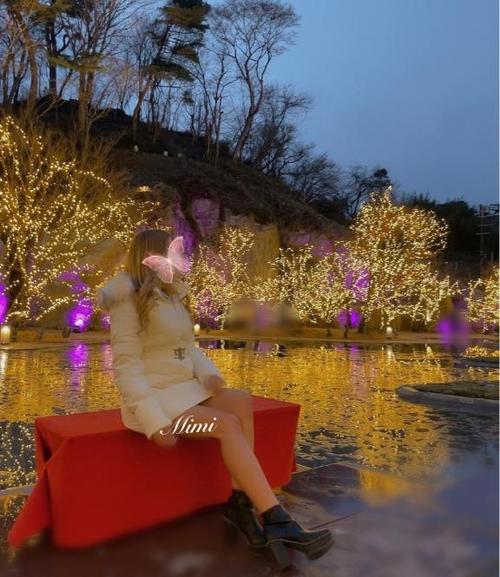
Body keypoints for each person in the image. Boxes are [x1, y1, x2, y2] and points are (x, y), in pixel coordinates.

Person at [96, 229, 333, 569]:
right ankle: (276, 519)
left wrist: (208, 373)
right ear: (150, 255)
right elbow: (126, 366)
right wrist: (153, 420)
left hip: (183, 391)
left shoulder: (170, 295)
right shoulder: (126, 299)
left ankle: (239, 504)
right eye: (168, 253)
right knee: (226, 424)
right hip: (157, 404)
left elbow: (186, 348)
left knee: (239, 400)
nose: (175, 260)